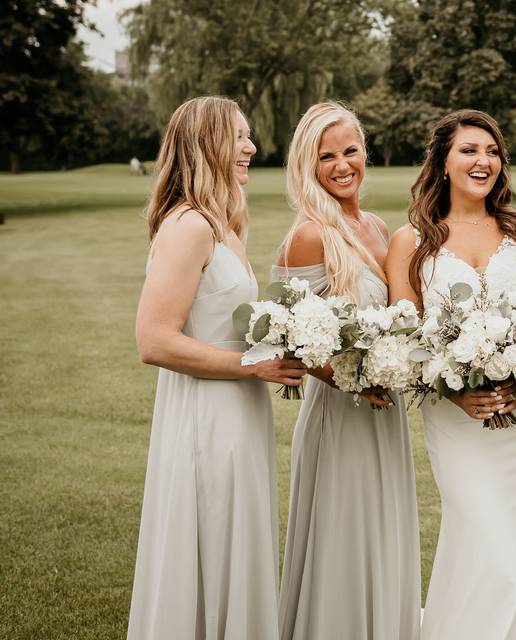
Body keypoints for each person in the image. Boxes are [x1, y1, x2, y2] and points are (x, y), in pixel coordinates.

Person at [128, 96, 306, 640]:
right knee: (211, 533)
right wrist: (252, 366)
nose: (252, 147)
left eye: (251, 136)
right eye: (239, 137)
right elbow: (154, 341)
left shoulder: (225, 220)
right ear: (206, 145)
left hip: (239, 410)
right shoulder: (188, 225)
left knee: (236, 537)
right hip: (208, 415)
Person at [385, 109, 516, 640]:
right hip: (456, 420)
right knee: (484, 535)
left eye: (491, 151)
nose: (483, 161)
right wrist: (454, 390)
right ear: (441, 162)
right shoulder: (410, 241)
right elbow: (406, 336)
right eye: (468, 150)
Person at [272, 102, 420, 640]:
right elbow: (293, 338)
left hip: (386, 408)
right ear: (306, 165)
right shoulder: (308, 235)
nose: (341, 165)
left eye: (350, 151)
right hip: (342, 410)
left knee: (384, 528)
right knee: (344, 531)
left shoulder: (378, 227)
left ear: (365, 152)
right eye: (326, 155)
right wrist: (358, 380)